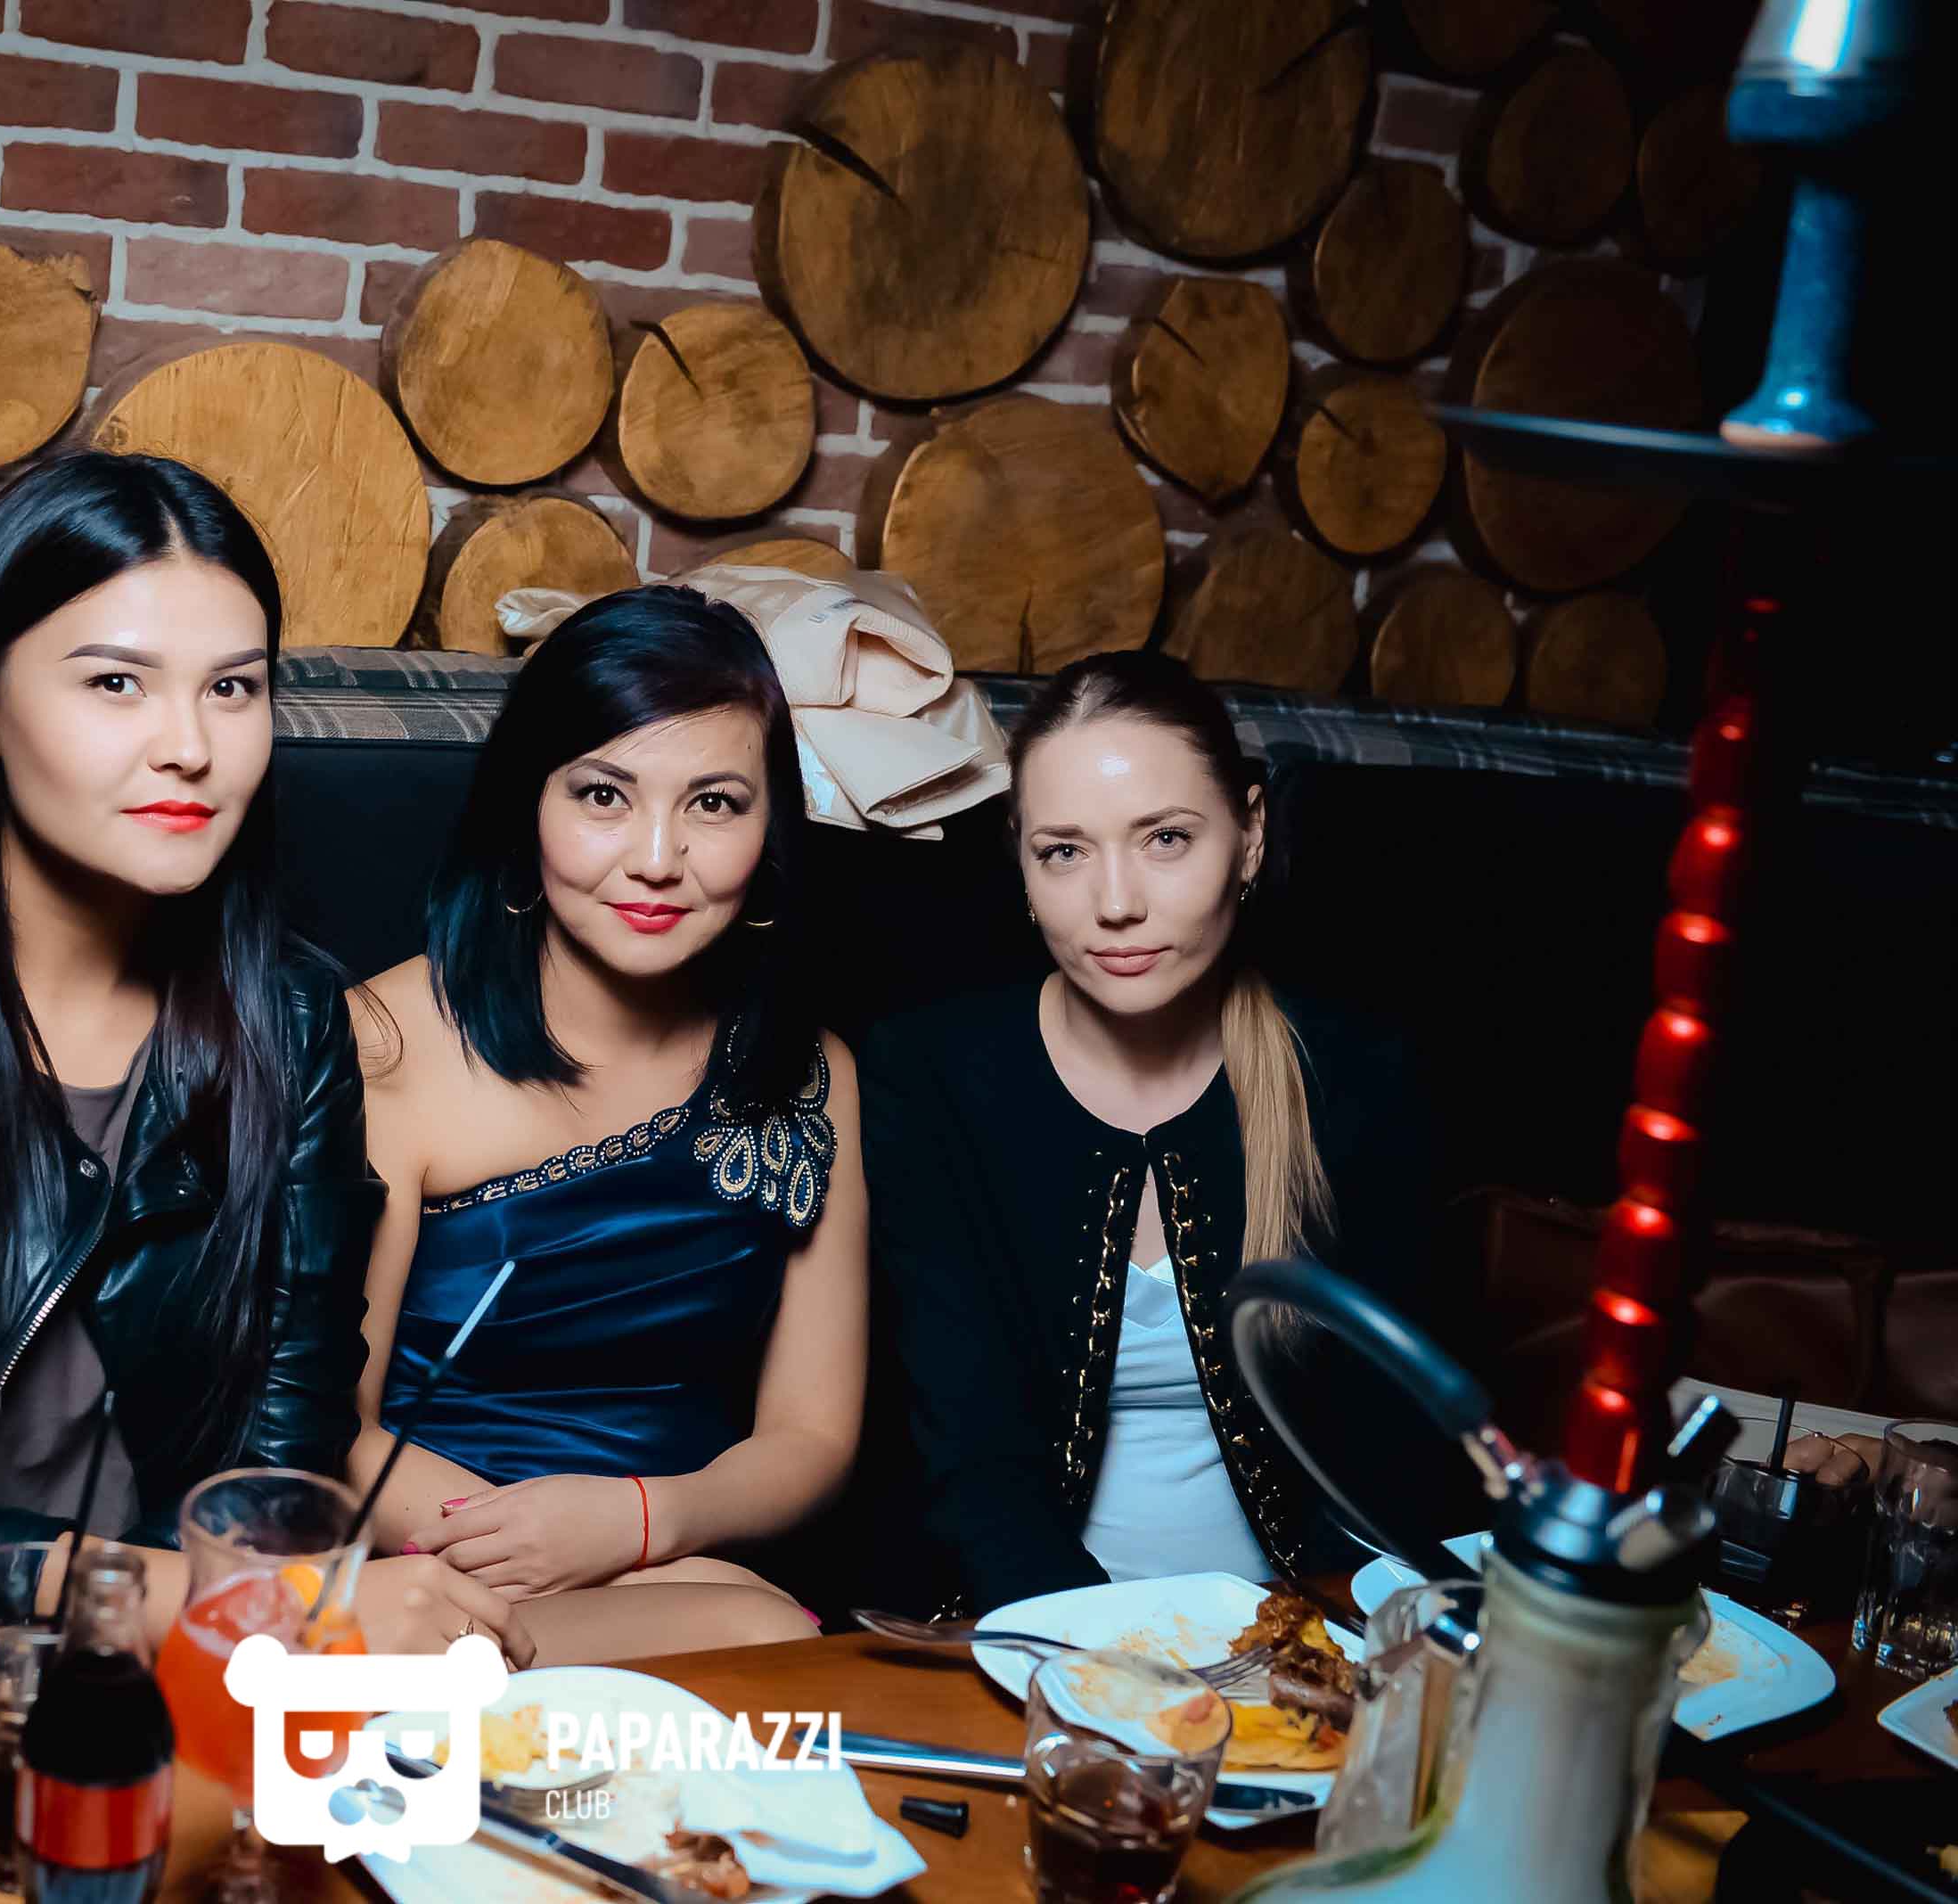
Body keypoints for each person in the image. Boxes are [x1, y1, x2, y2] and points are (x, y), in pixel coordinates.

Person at [0, 451, 530, 1703]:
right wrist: (242, 1601)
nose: (189, 746)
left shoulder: (291, 1018)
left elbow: (284, 1447)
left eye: (232, 687)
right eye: (116, 682)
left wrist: (224, 1620)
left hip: (187, 1670)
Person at [348, 586, 866, 1662]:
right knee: (758, 1631)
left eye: (713, 803)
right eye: (602, 795)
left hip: (679, 1552)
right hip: (417, 1562)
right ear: (526, 805)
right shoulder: (385, 1044)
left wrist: (640, 1525)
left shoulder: (812, 1072)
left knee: (762, 1633)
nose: (656, 858)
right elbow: (325, 1433)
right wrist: (529, 1549)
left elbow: (811, 1437)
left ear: (770, 826)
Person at [859, 650, 1434, 1615]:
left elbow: (1391, 1453)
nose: (1116, 903)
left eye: (1166, 839)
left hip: (1302, 1635)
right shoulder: (929, 1074)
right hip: (1030, 1634)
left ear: (1249, 836)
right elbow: (970, 1459)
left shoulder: (1355, 1076)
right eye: (1064, 851)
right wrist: (1114, 1664)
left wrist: (1304, 1647)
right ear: (1020, 861)